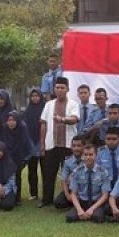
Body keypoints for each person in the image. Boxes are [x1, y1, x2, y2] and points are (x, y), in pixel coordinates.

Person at [38, 77, 80, 208]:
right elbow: (43, 124)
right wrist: (42, 144)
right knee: (48, 173)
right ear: (54, 89)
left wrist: (61, 119)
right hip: (52, 144)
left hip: (67, 146)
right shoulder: (48, 104)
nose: (60, 90)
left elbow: (74, 119)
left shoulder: (73, 104)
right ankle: (46, 200)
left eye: (62, 87)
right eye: (57, 87)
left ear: (67, 89)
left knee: (69, 174)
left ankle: (68, 198)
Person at [65, 144, 111, 223]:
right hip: (82, 202)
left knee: (97, 218)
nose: (88, 157)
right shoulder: (77, 171)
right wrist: (79, 209)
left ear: (96, 155)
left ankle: (90, 213)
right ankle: (82, 213)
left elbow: (105, 195)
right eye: (85, 155)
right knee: (70, 218)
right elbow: (73, 194)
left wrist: (92, 209)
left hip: (96, 202)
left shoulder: (103, 172)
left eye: (91, 155)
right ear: (82, 156)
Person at [2, 110, 34, 204]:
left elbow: (28, 147)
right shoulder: (4, 130)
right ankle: (6, 194)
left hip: (18, 158)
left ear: (17, 121)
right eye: (8, 120)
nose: (11, 122)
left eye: (13, 120)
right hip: (6, 157)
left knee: (17, 177)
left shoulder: (22, 129)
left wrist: (24, 160)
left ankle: (17, 198)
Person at [54, 135, 85, 210]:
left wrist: (72, 178)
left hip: (84, 189)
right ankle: (74, 203)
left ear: (84, 146)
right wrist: (68, 196)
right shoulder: (67, 161)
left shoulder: (88, 159)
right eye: (74, 146)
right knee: (58, 202)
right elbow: (64, 180)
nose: (76, 148)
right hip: (72, 189)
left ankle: (76, 204)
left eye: (79, 146)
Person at [23, 88, 44, 201]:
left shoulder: (45, 109)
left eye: (37, 96)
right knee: (32, 170)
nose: (35, 98)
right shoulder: (27, 111)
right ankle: (34, 193)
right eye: (33, 96)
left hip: (43, 142)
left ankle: (46, 193)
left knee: (45, 170)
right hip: (31, 143)